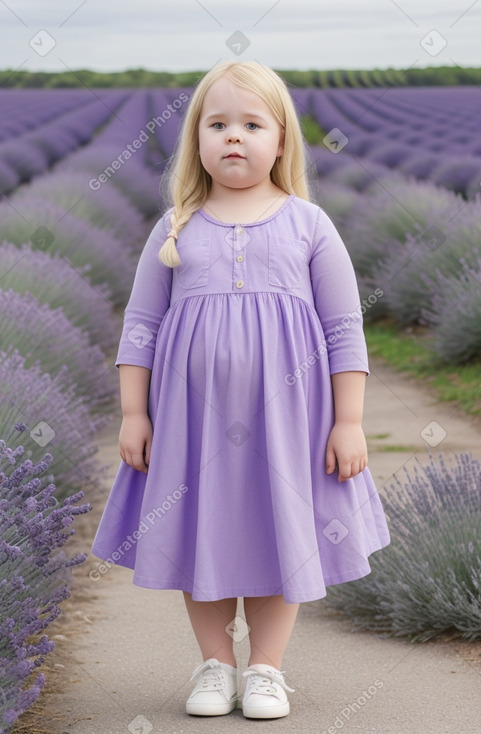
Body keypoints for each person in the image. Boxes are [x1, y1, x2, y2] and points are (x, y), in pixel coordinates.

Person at [91, 59, 390, 720]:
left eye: (251, 124)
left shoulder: (307, 225)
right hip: (190, 424)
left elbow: (343, 328)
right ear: (196, 139)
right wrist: (134, 412)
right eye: (217, 124)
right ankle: (213, 665)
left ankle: (264, 669)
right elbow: (140, 325)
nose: (233, 136)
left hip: (288, 424)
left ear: (281, 140)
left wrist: (348, 421)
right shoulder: (176, 226)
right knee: (201, 532)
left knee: (279, 533)